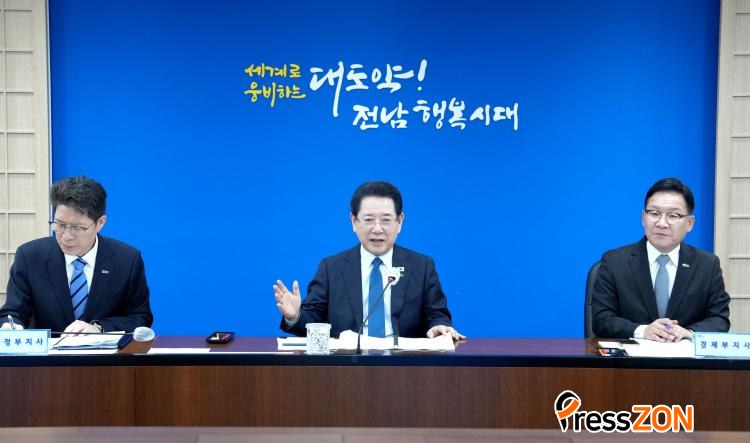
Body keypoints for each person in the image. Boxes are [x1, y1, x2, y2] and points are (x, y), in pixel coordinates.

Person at [274, 181, 464, 340]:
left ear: (400, 222)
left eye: (386, 220)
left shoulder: (422, 267)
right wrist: (295, 316)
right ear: (354, 221)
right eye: (369, 220)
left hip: (405, 365)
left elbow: (436, 314)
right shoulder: (331, 268)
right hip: (347, 365)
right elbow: (313, 321)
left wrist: (439, 326)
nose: (377, 229)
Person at [0, 176, 153, 333]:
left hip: (104, 349)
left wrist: (98, 328)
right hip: (48, 349)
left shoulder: (126, 260)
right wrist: (11, 325)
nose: (66, 236)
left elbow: (140, 318)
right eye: (60, 225)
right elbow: (13, 312)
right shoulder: (30, 256)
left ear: (100, 223)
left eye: (77, 228)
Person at [592, 178, 730, 342]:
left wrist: (689, 333)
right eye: (654, 213)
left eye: (673, 215)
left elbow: (719, 319)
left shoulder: (707, 265)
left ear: (689, 223)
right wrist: (643, 331)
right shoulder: (615, 262)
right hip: (632, 356)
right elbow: (601, 319)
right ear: (643, 218)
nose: (662, 223)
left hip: (685, 356)